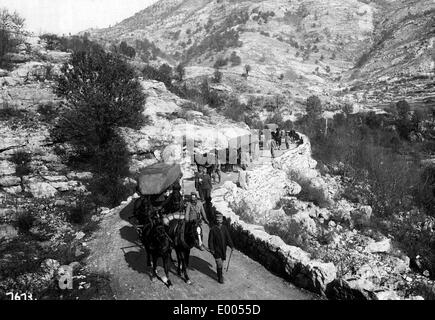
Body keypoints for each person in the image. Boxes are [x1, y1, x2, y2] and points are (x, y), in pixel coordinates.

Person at [208, 213, 234, 284]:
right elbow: (210, 241)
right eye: (218, 220)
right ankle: (220, 277)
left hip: (223, 249)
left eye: (220, 220)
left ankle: (219, 273)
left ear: (222, 220)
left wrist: (231, 246)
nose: (219, 222)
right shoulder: (213, 229)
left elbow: (228, 238)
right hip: (216, 250)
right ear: (216, 221)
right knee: (219, 263)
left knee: (221, 263)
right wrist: (211, 249)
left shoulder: (224, 228)